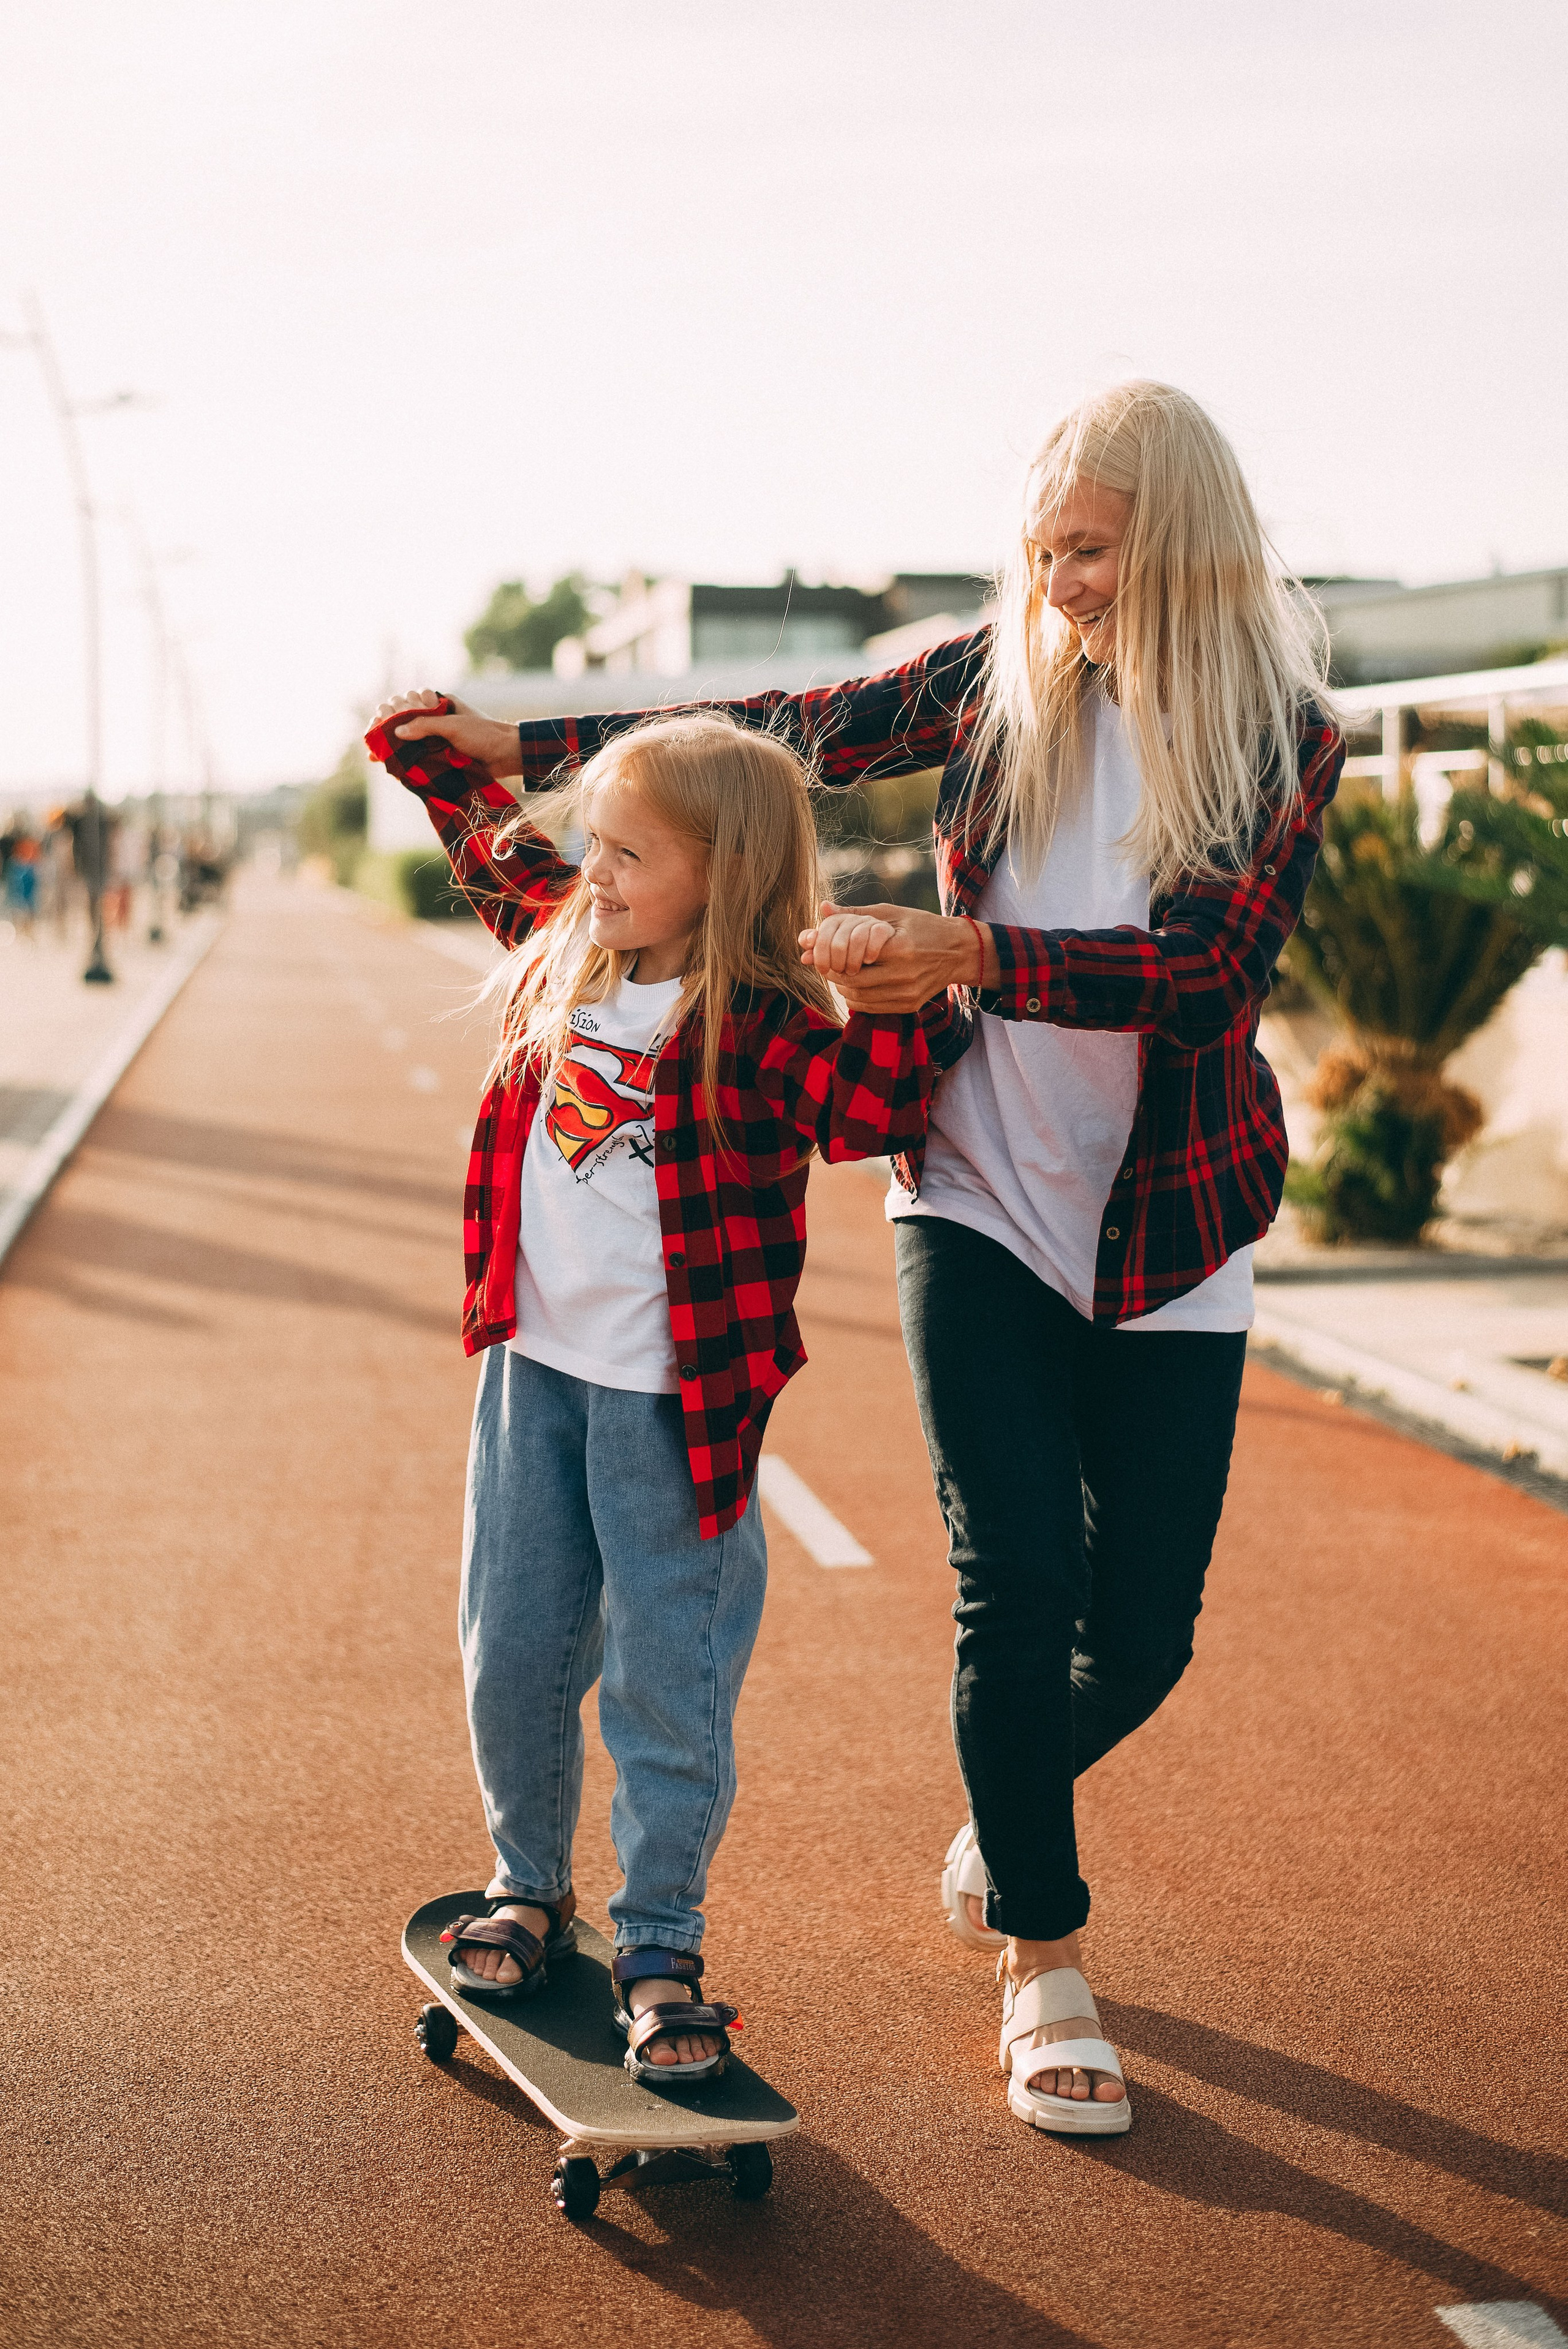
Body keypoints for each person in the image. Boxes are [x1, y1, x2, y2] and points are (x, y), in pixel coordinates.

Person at [384, 379, 1345, 2133]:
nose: (1059, 585)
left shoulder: (1281, 737)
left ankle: (1006, 1802)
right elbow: (772, 733)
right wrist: (526, 748)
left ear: (1184, 539)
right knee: (1013, 1591)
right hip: (969, 1186)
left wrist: (966, 951)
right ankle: (1043, 1958)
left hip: (1168, 1225)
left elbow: (1207, 977)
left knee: (1142, 1634)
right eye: (1042, 551)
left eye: (1091, 552)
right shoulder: (996, 682)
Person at [364, 704, 936, 2079]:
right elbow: (476, 827)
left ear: (722, 872)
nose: (597, 871)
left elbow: (878, 1115)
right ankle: (525, 1884)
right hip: (533, 1379)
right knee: (511, 1649)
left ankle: (661, 1945)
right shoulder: (567, 944)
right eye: (596, 845)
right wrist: (433, 740)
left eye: (631, 853)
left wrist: (889, 989)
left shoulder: (762, 1023)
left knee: (667, 1686)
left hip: (677, 1409)